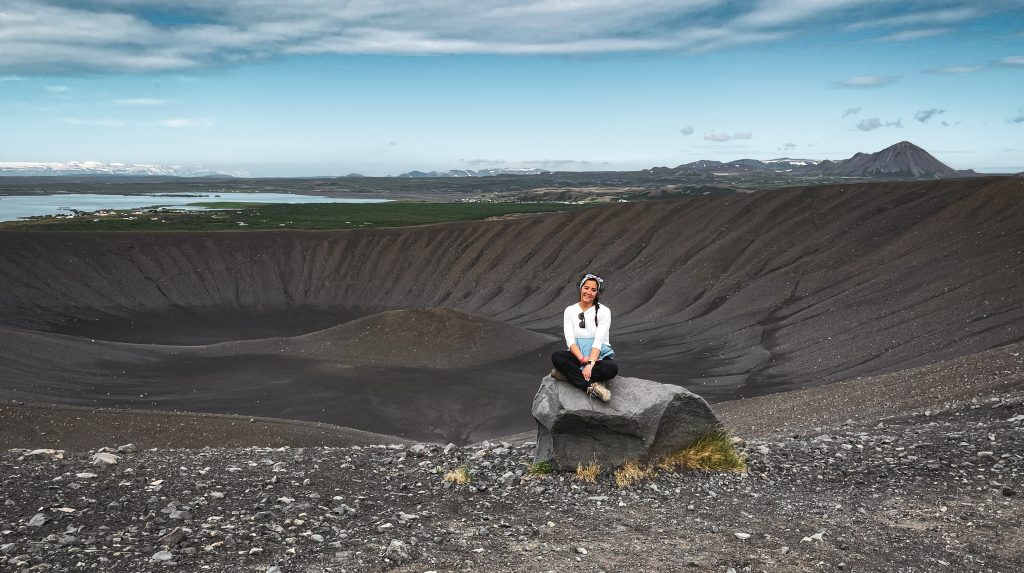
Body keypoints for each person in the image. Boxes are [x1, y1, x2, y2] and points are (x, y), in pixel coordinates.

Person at [550, 273, 619, 401]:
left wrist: (590, 364)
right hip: (578, 354)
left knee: (611, 369)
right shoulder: (569, 310)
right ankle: (591, 386)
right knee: (557, 357)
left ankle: (567, 375)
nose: (589, 292)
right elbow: (570, 340)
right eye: (586, 288)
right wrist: (582, 359)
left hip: (598, 355)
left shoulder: (604, 311)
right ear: (581, 288)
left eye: (593, 290)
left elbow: (598, 341)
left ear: (597, 293)